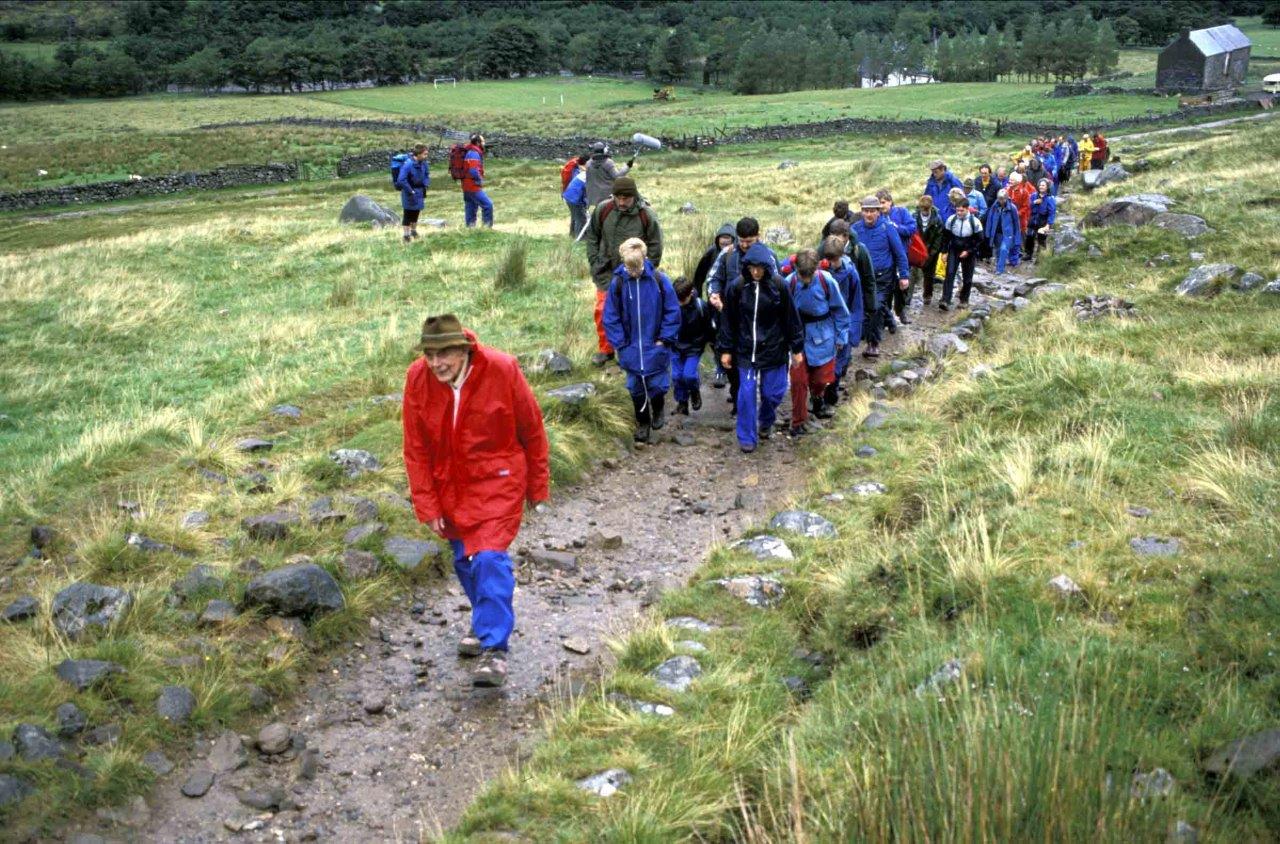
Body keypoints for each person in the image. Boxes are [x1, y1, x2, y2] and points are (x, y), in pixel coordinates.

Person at [402, 314, 549, 687]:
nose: (436, 364)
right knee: (464, 561)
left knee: (488, 558)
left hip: (498, 482)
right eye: (429, 355)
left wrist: (537, 486)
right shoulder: (417, 379)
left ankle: (494, 650)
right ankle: (484, 618)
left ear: (464, 349)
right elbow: (415, 449)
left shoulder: (501, 369)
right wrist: (428, 505)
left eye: (445, 354)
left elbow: (532, 429)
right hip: (448, 486)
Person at [716, 242, 803, 453]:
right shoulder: (737, 287)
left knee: (773, 392)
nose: (755, 271)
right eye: (752, 267)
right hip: (746, 349)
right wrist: (726, 349)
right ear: (746, 266)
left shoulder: (778, 286)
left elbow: (791, 318)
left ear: (766, 267)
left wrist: (797, 348)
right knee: (746, 394)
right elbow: (728, 320)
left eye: (759, 267)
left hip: (774, 347)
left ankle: (766, 419)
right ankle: (746, 436)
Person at [603, 238, 680, 443]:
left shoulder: (659, 280)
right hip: (630, 347)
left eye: (636, 266)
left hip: (654, 344)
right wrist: (620, 344)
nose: (633, 270)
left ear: (645, 259)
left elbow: (672, 311)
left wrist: (664, 339)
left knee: (658, 384)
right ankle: (642, 422)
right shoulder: (618, 283)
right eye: (629, 266)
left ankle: (658, 407)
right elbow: (611, 316)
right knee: (635, 387)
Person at [585, 176, 663, 367]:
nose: (621, 202)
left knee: (632, 313)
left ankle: (631, 349)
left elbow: (655, 245)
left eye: (626, 198)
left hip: (634, 272)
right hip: (605, 271)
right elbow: (593, 236)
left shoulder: (646, 215)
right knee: (603, 311)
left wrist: (645, 269)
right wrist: (594, 260)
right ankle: (606, 350)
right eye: (618, 198)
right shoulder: (603, 209)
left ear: (634, 196)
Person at [705, 217, 776, 410]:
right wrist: (714, 295)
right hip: (729, 319)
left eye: (749, 241)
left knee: (756, 363)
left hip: (758, 321)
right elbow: (713, 278)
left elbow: (777, 285)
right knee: (731, 361)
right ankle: (738, 396)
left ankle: (755, 400)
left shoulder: (768, 256)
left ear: (758, 237)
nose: (744, 245)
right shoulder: (727, 255)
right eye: (741, 240)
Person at [785, 249, 850, 437]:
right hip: (798, 336)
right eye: (801, 275)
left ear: (816, 269)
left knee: (821, 379)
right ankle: (798, 421)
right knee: (798, 381)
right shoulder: (790, 283)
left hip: (823, 335)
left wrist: (841, 337)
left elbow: (840, 310)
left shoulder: (826, 281)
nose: (805, 280)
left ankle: (817, 396)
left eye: (808, 275)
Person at [852, 195, 909, 359]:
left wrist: (904, 275)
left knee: (875, 307)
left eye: (872, 211)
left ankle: (873, 344)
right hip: (862, 277)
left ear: (878, 212)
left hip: (883, 276)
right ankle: (889, 321)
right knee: (865, 307)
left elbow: (900, 253)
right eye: (865, 211)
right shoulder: (855, 229)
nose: (868, 215)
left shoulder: (887, 228)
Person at [820, 236, 864, 407]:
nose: (832, 263)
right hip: (824, 323)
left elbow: (856, 303)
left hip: (844, 324)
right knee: (824, 361)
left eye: (835, 259)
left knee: (839, 363)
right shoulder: (821, 272)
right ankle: (821, 394)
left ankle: (831, 395)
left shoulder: (851, 274)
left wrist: (854, 329)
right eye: (829, 259)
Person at [692, 222, 736, 389]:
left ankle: (731, 373)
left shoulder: (736, 255)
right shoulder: (710, 253)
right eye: (722, 239)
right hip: (714, 302)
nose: (724, 242)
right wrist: (696, 296)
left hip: (732, 303)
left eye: (728, 239)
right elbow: (699, 275)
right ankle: (720, 370)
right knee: (716, 335)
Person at [670, 276, 715, 416]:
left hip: (694, 348)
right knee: (677, 376)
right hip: (675, 345)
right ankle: (682, 403)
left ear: (691, 293)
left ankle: (694, 391)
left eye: (682, 300)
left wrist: (710, 343)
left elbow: (709, 328)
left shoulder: (701, 307)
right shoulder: (671, 304)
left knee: (688, 375)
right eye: (677, 299)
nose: (680, 303)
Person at [876, 189, 917, 325]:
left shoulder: (901, 212)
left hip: (901, 255)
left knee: (901, 286)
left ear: (890, 202)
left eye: (883, 202)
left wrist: (896, 228)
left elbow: (912, 228)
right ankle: (887, 316)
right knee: (886, 288)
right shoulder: (877, 217)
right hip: (886, 258)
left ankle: (901, 311)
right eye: (879, 203)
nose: (881, 206)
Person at [940, 198, 983, 311]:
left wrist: (968, 251)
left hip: (969, 249)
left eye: (961, 211)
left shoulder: (975, 222)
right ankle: (945, 300)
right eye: (957, 210)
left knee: (967, 277)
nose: (959, 213)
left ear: (967, 209)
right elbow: (945, 237)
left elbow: (979, 240)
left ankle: (964, 300)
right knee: (949, 274)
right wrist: (944, 252)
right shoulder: (951, 220)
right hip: (954, 248)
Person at [912, 194, 945, 306]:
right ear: (920, 207)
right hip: (916, 251)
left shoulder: (937, 220)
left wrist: (931, 255)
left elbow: (938, 239)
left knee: (929, 276)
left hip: (931, 251)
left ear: (931, 207)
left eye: (927, 209)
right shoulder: (913, 217)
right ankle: (907, 299)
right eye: (923, 209)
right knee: (912, 274)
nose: (925, 212)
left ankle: (927, 296)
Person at [395, 144, 431, 244]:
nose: (426, 156)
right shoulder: (408, 164)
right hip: (410, 193)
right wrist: (411, 191)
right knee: (408, 214)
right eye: (425, 154)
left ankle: (413, 231)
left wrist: (426, 184)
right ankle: (406, 236)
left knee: (416, 212)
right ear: (418, 154)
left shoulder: (423, 163)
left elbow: (427, 174)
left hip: (420, 192)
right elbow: (401, 180)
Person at [984, 188, 1023, 275]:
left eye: (1003, 199)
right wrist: (988, 233)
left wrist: (1017, 238)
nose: (1001, 201)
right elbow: (990, 220)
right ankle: (999, 266)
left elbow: (1017, 224)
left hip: (1008, 234)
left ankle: (999, 270)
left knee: (1003, 249)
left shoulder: (1012, 208)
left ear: (1006, 198)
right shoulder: (994, 207)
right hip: (996, 233)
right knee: (998, 251)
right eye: (999, 199)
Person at [584, 141, 633, 208]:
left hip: (594, 196)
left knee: (600, 213)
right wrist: (627, 167)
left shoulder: (588, 164)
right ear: (603, 150)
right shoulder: (608, 162)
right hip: (607, 196)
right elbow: (617, 177)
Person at [461, 133, 493, 228]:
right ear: (478, 142)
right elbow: (473, 171)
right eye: (483, 141)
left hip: (466, 185)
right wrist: (479, 179)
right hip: (472, 186)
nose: (484, 143)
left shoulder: (471, 152)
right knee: (488, 205)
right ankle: (486, 228)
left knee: (471, 207)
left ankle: (470, 229)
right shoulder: (474, 153)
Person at [1024, 178, 1056, 262]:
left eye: (1043, 185)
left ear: (1047, 187)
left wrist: (1048, 224)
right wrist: (1034, 202)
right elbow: (1027, 206)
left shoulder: (1050, 199)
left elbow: (1052, 213)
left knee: (1041, 240)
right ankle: (1028, 254)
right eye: (1040, 185)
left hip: (1043, 222)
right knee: (1029, 237)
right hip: (1032, 220)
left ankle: (1040, 258)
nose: (1041, 187)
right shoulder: (1033, 195)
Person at [1007, 171, 1035, 256]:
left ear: (1018, 181)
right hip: (1009, 218)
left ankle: (1023, 251)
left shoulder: (1024, 192)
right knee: (1011, 234)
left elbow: (1026, 206)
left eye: (1012, 180)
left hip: (1021, 218)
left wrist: (1017, 213)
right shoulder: (1007, 190)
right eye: (1010, 180)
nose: (1010, 181)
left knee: (1022, 234)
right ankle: (1013, 251)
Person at [561, 158, 588, 238]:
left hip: (568, 196)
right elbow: (585, 192)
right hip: (574, 199)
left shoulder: (582, 173)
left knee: (575, 217)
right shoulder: (587, 175)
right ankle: (579, 238)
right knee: (581, 218)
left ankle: (572, 235)